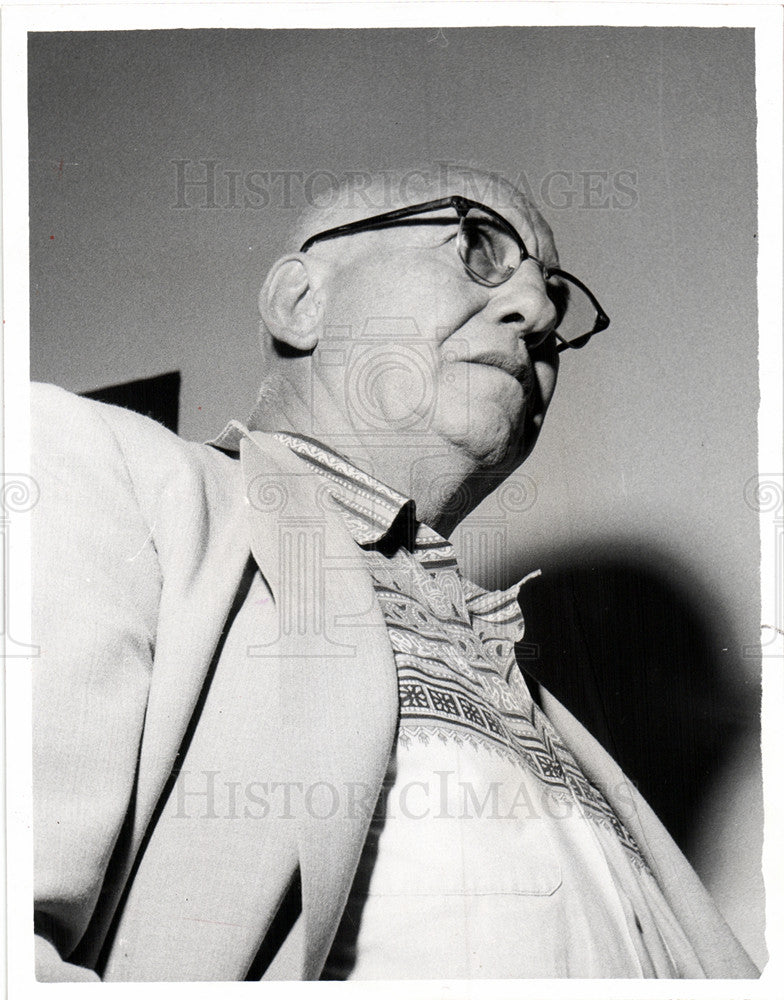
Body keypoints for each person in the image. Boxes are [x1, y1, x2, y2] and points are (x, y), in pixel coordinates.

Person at [32, 167, 757, 981]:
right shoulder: (104, 472)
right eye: (479, 246)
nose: (539, 313)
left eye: (555, 295)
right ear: (300, 304)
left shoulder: (545, 697)